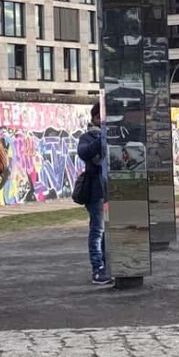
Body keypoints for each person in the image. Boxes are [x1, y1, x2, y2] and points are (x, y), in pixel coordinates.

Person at [78, 103, 111, 286]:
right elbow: (84, 152)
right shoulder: (87, 137)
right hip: (96, 190)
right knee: (98, 230)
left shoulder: (115, 135)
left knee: (108, 230)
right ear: (95, 118)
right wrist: (103, 138)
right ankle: (97, 268)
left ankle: (108, 264)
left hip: (110, 188)